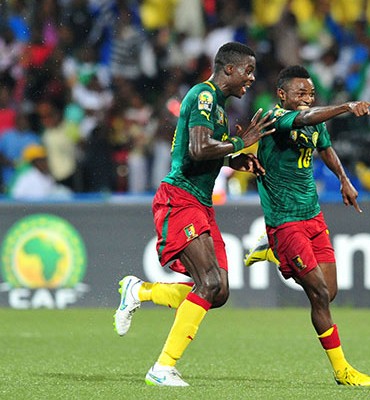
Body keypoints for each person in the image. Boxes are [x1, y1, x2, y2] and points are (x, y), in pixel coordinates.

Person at [113, 42, 275, 387]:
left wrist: (233, 160)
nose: (251, 78)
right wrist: (241, 142)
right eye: (247, 70)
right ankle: (162, 368)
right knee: (210, 282)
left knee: (219, 291)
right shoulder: (203, 95)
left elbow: (204, 152)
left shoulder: (218, 107)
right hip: (180, 198)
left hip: (200, 202)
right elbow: (199, 148)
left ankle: (140, 292)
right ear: (228, 69)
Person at [250, 65, 370, 386]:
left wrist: (344, 179)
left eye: (310, 93)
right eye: (300, 93)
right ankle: (342, 370)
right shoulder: (275, 118)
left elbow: (324, 147)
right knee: (318, 294)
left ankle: (275, 254)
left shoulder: (314, 120)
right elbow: (305, 119)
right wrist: (346, 106)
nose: (307, 99)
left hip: (313, 215)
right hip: (285, 220)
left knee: (329, 292)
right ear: (282, 95)